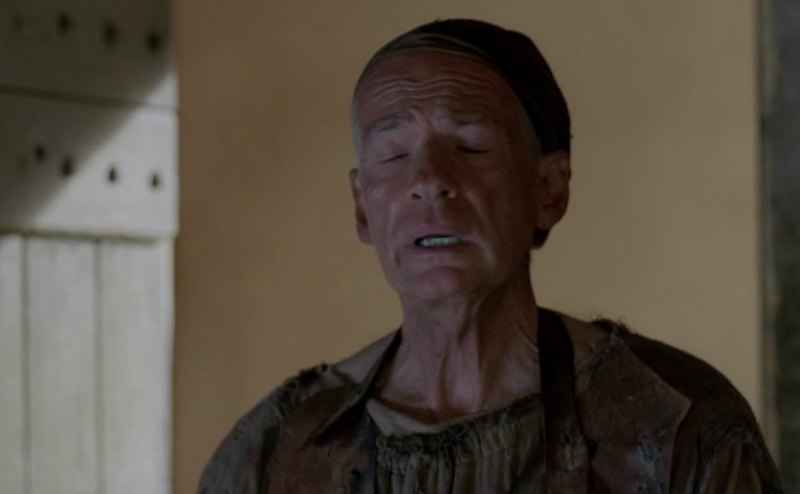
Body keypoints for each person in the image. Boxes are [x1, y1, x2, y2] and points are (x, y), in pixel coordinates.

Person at [197, 19, 782, 493]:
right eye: (394, 154)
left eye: (471, 146)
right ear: (363, 208)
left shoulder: (673, 424)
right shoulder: (280, 450)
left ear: (548, 190)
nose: (430, 180)